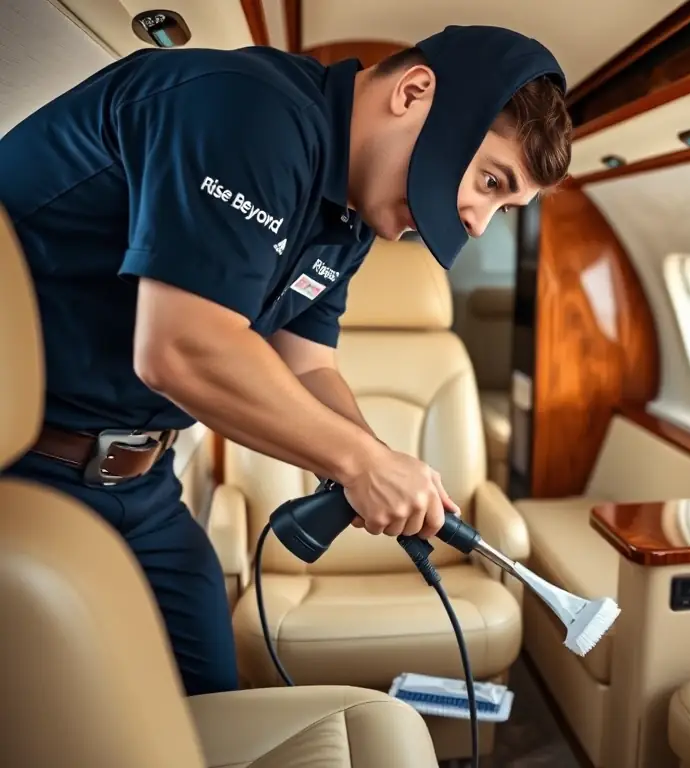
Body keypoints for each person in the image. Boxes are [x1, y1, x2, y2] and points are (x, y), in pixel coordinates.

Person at [0, 24, 572, 697]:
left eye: (506, 207)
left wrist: (383, 461)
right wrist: (357, 463)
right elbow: (183, 348)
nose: (480, 222)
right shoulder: (248, 111)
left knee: (209, 699)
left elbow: (308, 366)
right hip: (25, 469)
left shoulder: (352, 218)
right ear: (415, 93)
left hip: (139, 481)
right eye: (490, 181)